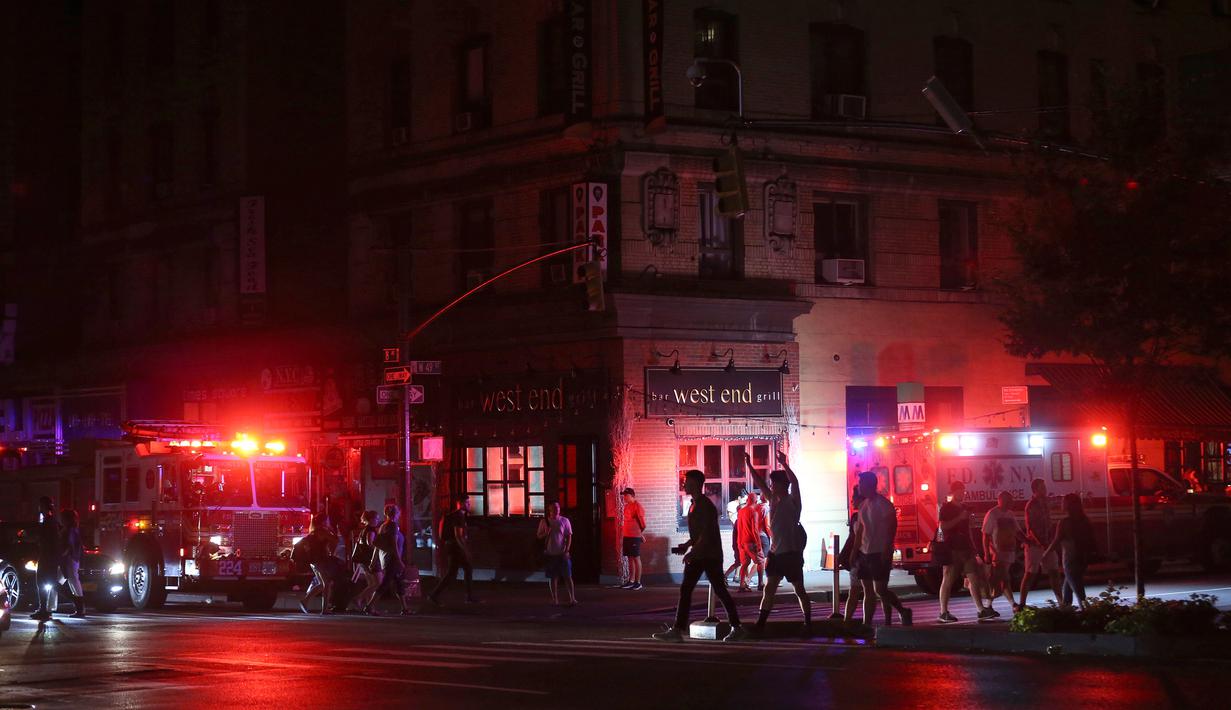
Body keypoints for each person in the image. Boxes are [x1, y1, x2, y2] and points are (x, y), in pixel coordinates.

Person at [652, 469, 746, 642]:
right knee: (687, 589)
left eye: (687, 481)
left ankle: (736, 627)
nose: (684, 484)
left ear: (695, 483)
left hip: (709, 555)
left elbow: (707, 533)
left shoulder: (704, 505)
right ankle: (678, 630)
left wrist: (692, 552)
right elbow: (698, 534)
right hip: (701, 554)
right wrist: (687, 545)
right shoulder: (694, 503)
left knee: (719, 590)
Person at [747, 451, 813, 637]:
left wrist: (784, 464)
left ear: (781, 485)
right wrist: (750, 466)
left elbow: (796, 484)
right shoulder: (773, 500)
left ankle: (807, 623)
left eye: (773, 483)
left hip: (791, 554)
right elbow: (760, 483)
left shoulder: (793, 501)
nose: (770, 485)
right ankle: (760, 624)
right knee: (769, 589)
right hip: (775, 554)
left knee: (799, 590)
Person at [848, 472, 912, 626]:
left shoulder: (883, 504)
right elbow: (860, 532)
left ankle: (902, 611)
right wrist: (854, 552)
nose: (860, 486)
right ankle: (867, 624)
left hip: (879, 552)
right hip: (865, 552)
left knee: (880, 589)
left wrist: (887, 548)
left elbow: (892, 527)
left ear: (870, 485)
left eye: (862, 483)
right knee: (868, 591)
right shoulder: (863, 506)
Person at [937, 481, 996, 623]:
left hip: (966, 548)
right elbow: (943, 526)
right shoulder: (946, 508)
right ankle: (943, 612)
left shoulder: (964, 508)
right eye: (960, 491)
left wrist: (974, 548)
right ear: (953, 492)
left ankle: (981, 610)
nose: (962, 493)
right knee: (948, 579)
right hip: (952, 548)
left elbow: (968, 529)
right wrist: (959, 518)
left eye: (963, 491)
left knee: (974, 577)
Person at [1045, 493, 1097, 610]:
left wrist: (1045, 554)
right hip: (1082, 558)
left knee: (1079, 590)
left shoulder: (1064, 522)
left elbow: (1056, 541)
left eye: (1063, 501)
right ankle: (1066, 609)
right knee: (1068, 586)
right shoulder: (1084, 520)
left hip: (1070, 559)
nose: (1061, 503)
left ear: (1068, 505)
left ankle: (1088, 613)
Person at [1019, 478, 1063, 609]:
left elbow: (1057, 500)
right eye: (1042, 487)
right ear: (1036, 490)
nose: (1045, 489)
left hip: (1048, 543)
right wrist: (1041, 543)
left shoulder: (1045, 502)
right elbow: (1031, 527)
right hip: (1035, 545)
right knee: (1030, 574)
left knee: (1054, 572)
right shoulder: (1031, 505)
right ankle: (1022, 603)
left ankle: (1061, 601)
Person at [427, 498, 478, 605]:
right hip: (457, 548)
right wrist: (465, 550)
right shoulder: (459, 516)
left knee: (460, 570)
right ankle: (434, 595)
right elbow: (458, 535)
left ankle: (435, 595)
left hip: (450, 546)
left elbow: (442, 535)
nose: (469, 505)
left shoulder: (450, 516)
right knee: (459, 571)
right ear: (461, 504)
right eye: (467, 503)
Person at [981, 491, 1022, 613]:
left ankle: (988, 606)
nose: (1012, 503)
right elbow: (985, 535)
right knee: (1004, 578)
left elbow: (1017, 531)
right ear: (1001, 500)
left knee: (1000, 580)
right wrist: (987, 553)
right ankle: (1013, 605)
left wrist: (1028, 541)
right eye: (1009, 500)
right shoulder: (993, 514)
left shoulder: (1010, 514)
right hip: (997, 553)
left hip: (1009, 552)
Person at [368, 504, 411, 615]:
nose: (400, 514)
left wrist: (374, 560)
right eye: (398, 512)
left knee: (399, 583)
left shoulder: (383, 526)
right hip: (392, 559)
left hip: (386, 559)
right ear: (396, 514)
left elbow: (378, 545)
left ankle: (405, 608)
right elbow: (393, 544)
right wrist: (399, 560)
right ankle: (370, 605)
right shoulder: (393, 526)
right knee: (386, 583)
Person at [299, 513, 340, 615]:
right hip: (321, 560)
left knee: (323, 583)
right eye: (327, 520)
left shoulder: (313, 531)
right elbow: (335, 539)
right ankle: (324, 609)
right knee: (327, 583)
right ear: (324, 521)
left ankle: (305, 601)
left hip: (314, 561)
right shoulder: (323, 531)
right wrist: (331, 528)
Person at [537, 501, 577, 606]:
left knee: (568, 576)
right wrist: (546, 533)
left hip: (562, 553)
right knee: (553, 577)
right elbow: (539, 536)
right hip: (550, 553)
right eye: (554, 508)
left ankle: (572, 598)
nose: (556, 510)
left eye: (558, 508)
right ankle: (555, 599)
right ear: (549, 510)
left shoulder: (564, 521)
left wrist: (567, 550)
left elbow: (569, 536)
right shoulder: (544, 521)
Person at [31, 497, 61, 621]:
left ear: (42, 506)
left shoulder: (48, 521)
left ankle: (43, 609)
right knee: (48, 582)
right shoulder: (53, 521)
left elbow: (44, 539)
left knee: (42, 582)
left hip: (47, 556)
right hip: (51, 556)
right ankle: (44, 609)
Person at [351, 510, 383, 612]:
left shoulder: (363, 530)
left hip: (364, 560)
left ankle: (370, 607)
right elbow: (370, 543)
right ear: (371, 519)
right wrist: (380, 548)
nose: (378, 520)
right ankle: (358, 598)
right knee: (378, 582)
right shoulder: (371, 530)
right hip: (371, 559)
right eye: (377, 518)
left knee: (371, 584)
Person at [735, 490, 768, 592]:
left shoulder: (740, 512)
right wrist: (758, 543)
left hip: (742, 541)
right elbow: (754, 529)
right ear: (755, 500)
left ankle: (742, 585)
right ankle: (760, 583)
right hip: (751, 541)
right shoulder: (753, 512)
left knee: (744, 564)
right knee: (761, 561)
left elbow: (739, 528)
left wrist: (738, 542)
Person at [59, 509, 86, 619]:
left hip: (69, 559)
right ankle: (79, 606)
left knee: (72, 582)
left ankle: (79, 607)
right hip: (72, 559)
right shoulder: (74, 529)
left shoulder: (69, 530)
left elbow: (69, 545)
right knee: (72, 581)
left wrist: (63, 554)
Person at [620, 488, 646, 590]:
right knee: (630, 558)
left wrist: (639, 534)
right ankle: (631, 581)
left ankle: (638, 582)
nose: (624, 497)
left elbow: (643, 524)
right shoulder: (627, 506)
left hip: (634, 536)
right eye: (624, 496)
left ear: (631, 495)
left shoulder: (637, 506)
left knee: (636, 558)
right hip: (627, 536)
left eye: (626, 496)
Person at [723, 489, 748, 583]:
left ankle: (742, 579)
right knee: (740, 561)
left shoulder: (740, 521)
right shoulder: (738, 521)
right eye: (744, 501)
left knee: (742, 561)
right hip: (739, 543)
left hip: (739, 543)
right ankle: (742, 579)